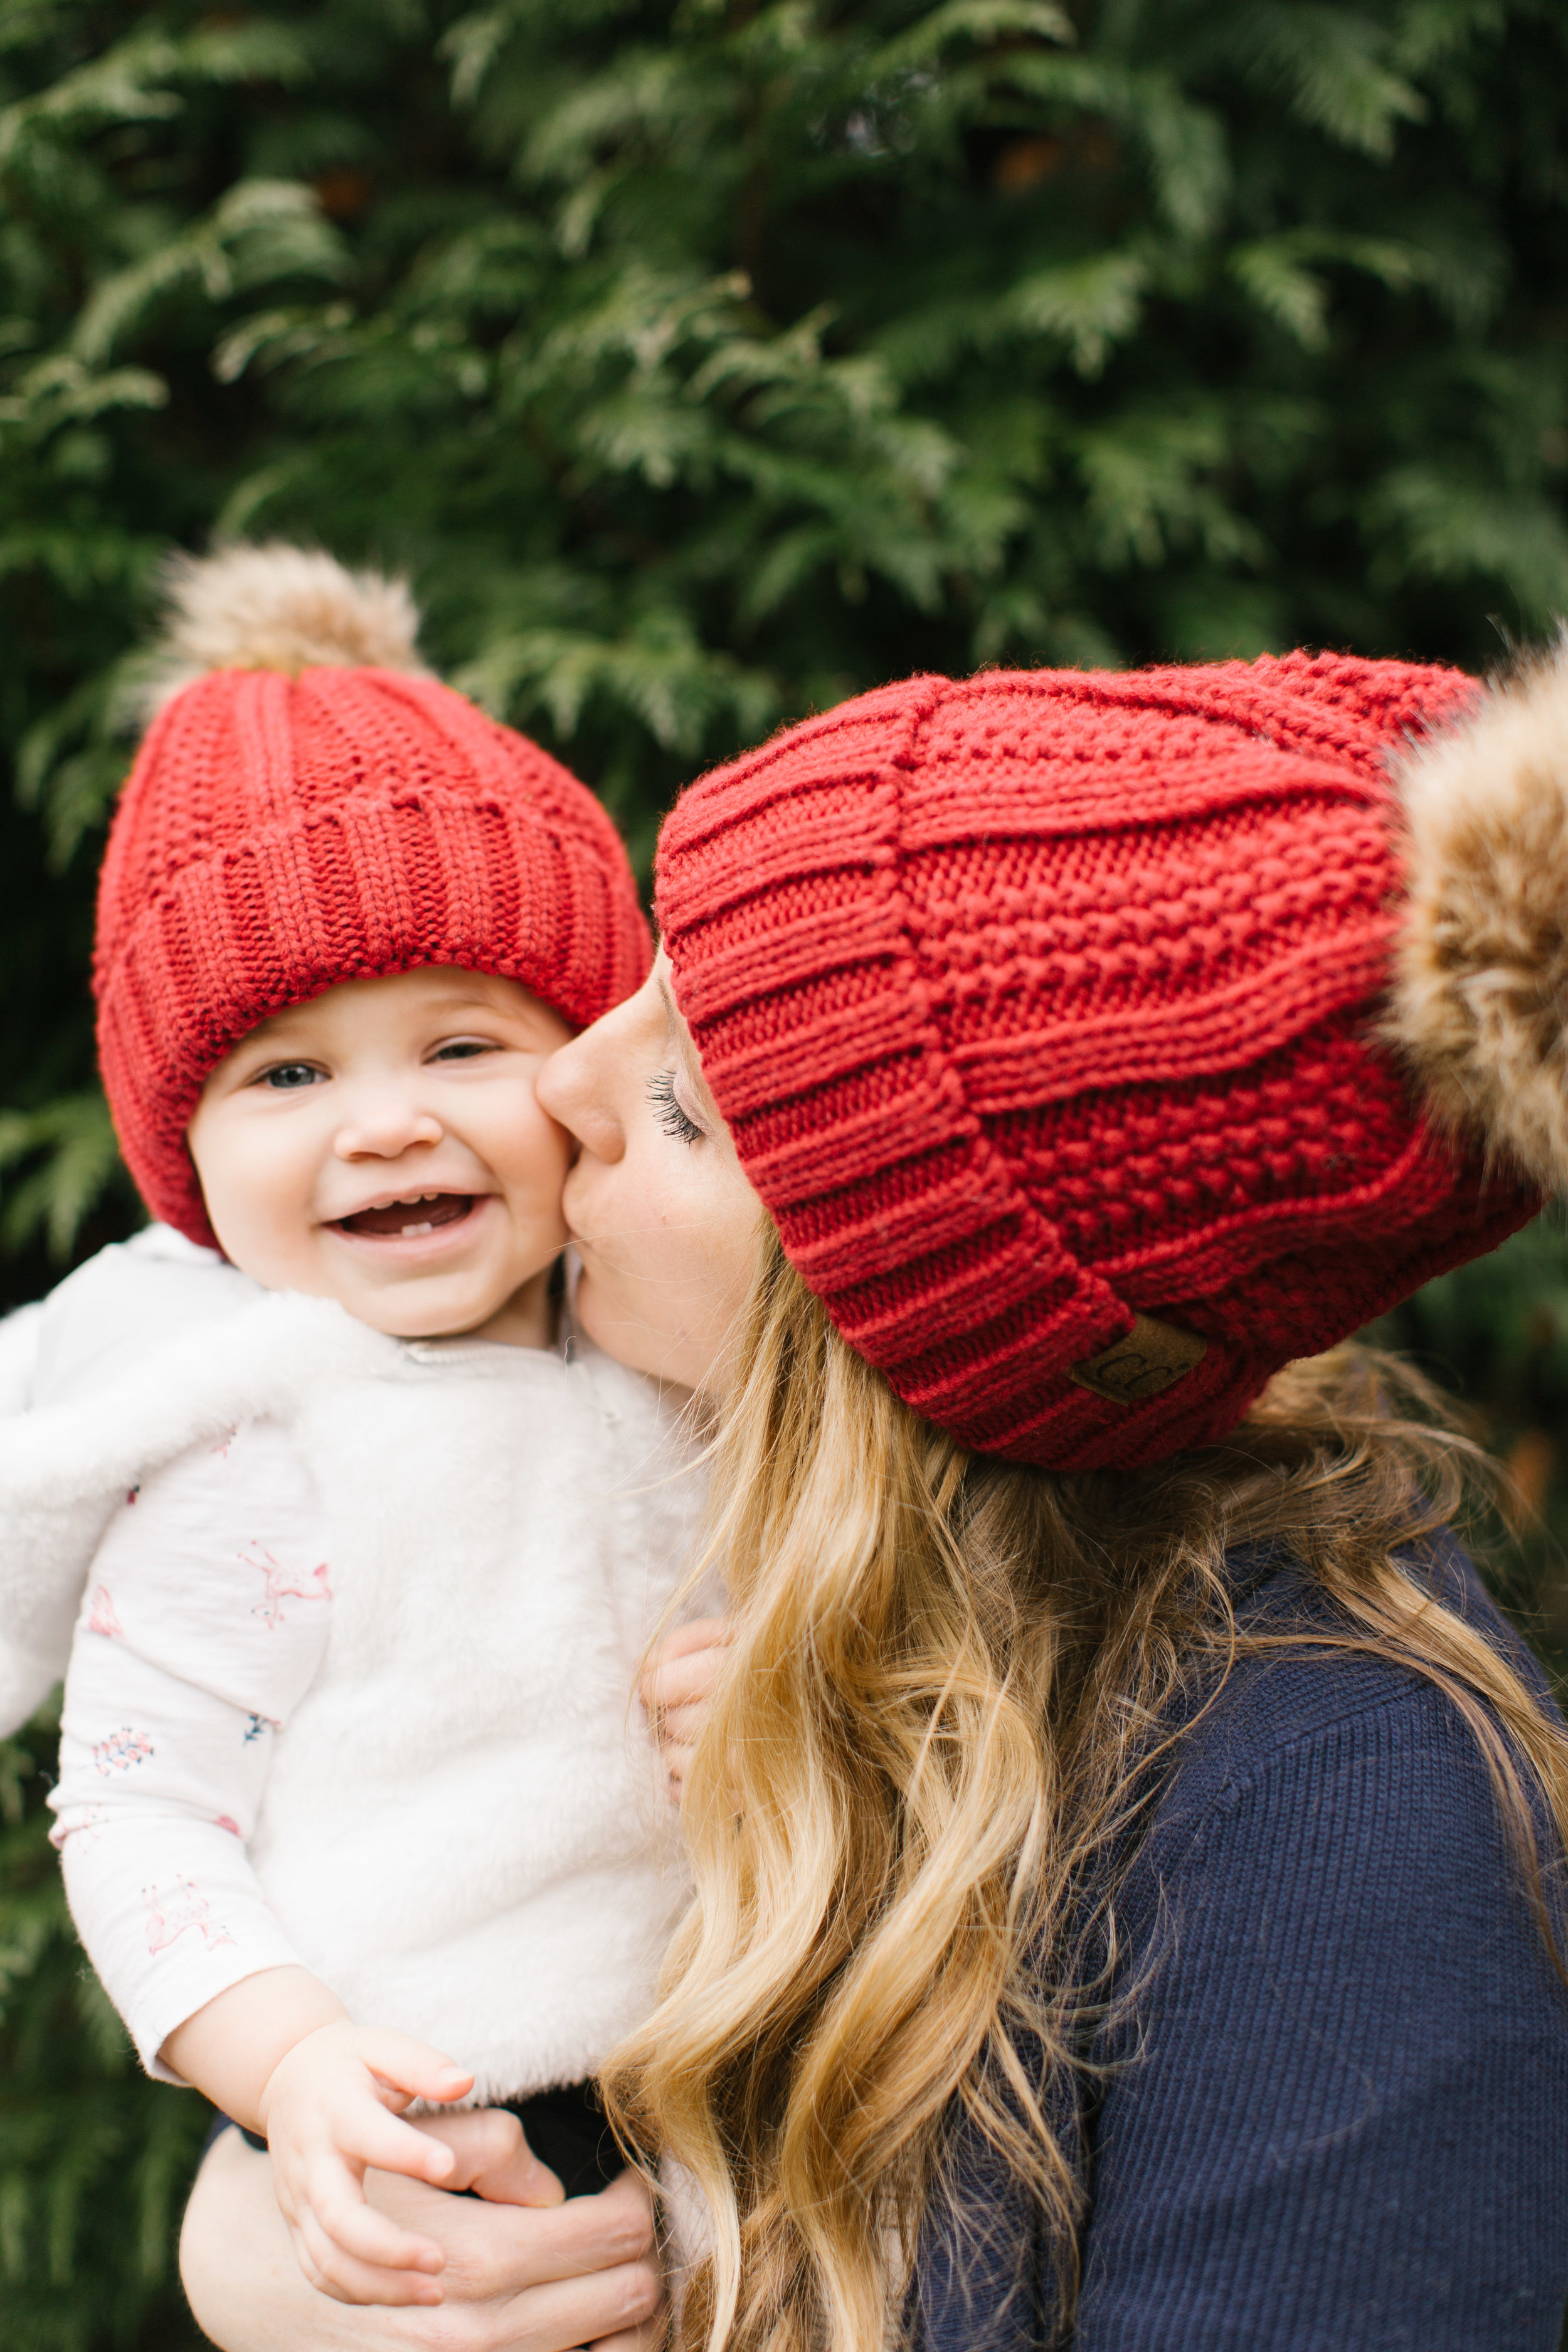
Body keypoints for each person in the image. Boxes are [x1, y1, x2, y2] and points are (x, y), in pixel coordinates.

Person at [179, 644, 1568, 2348]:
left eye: (682, 1101)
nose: (556, 1085)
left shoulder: (1332, 1823)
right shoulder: (703, 1570)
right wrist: (256, 2243)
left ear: (905, 1310)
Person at [0, 546, 706, 2319]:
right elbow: (145, 1815)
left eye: (461, 1044)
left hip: (749, 2109)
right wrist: (287, 2069)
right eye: (288, 1077)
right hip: (437, 2133)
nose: (383, 1127)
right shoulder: (247, 1446)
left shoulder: (681, 1348)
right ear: (189, 1167)